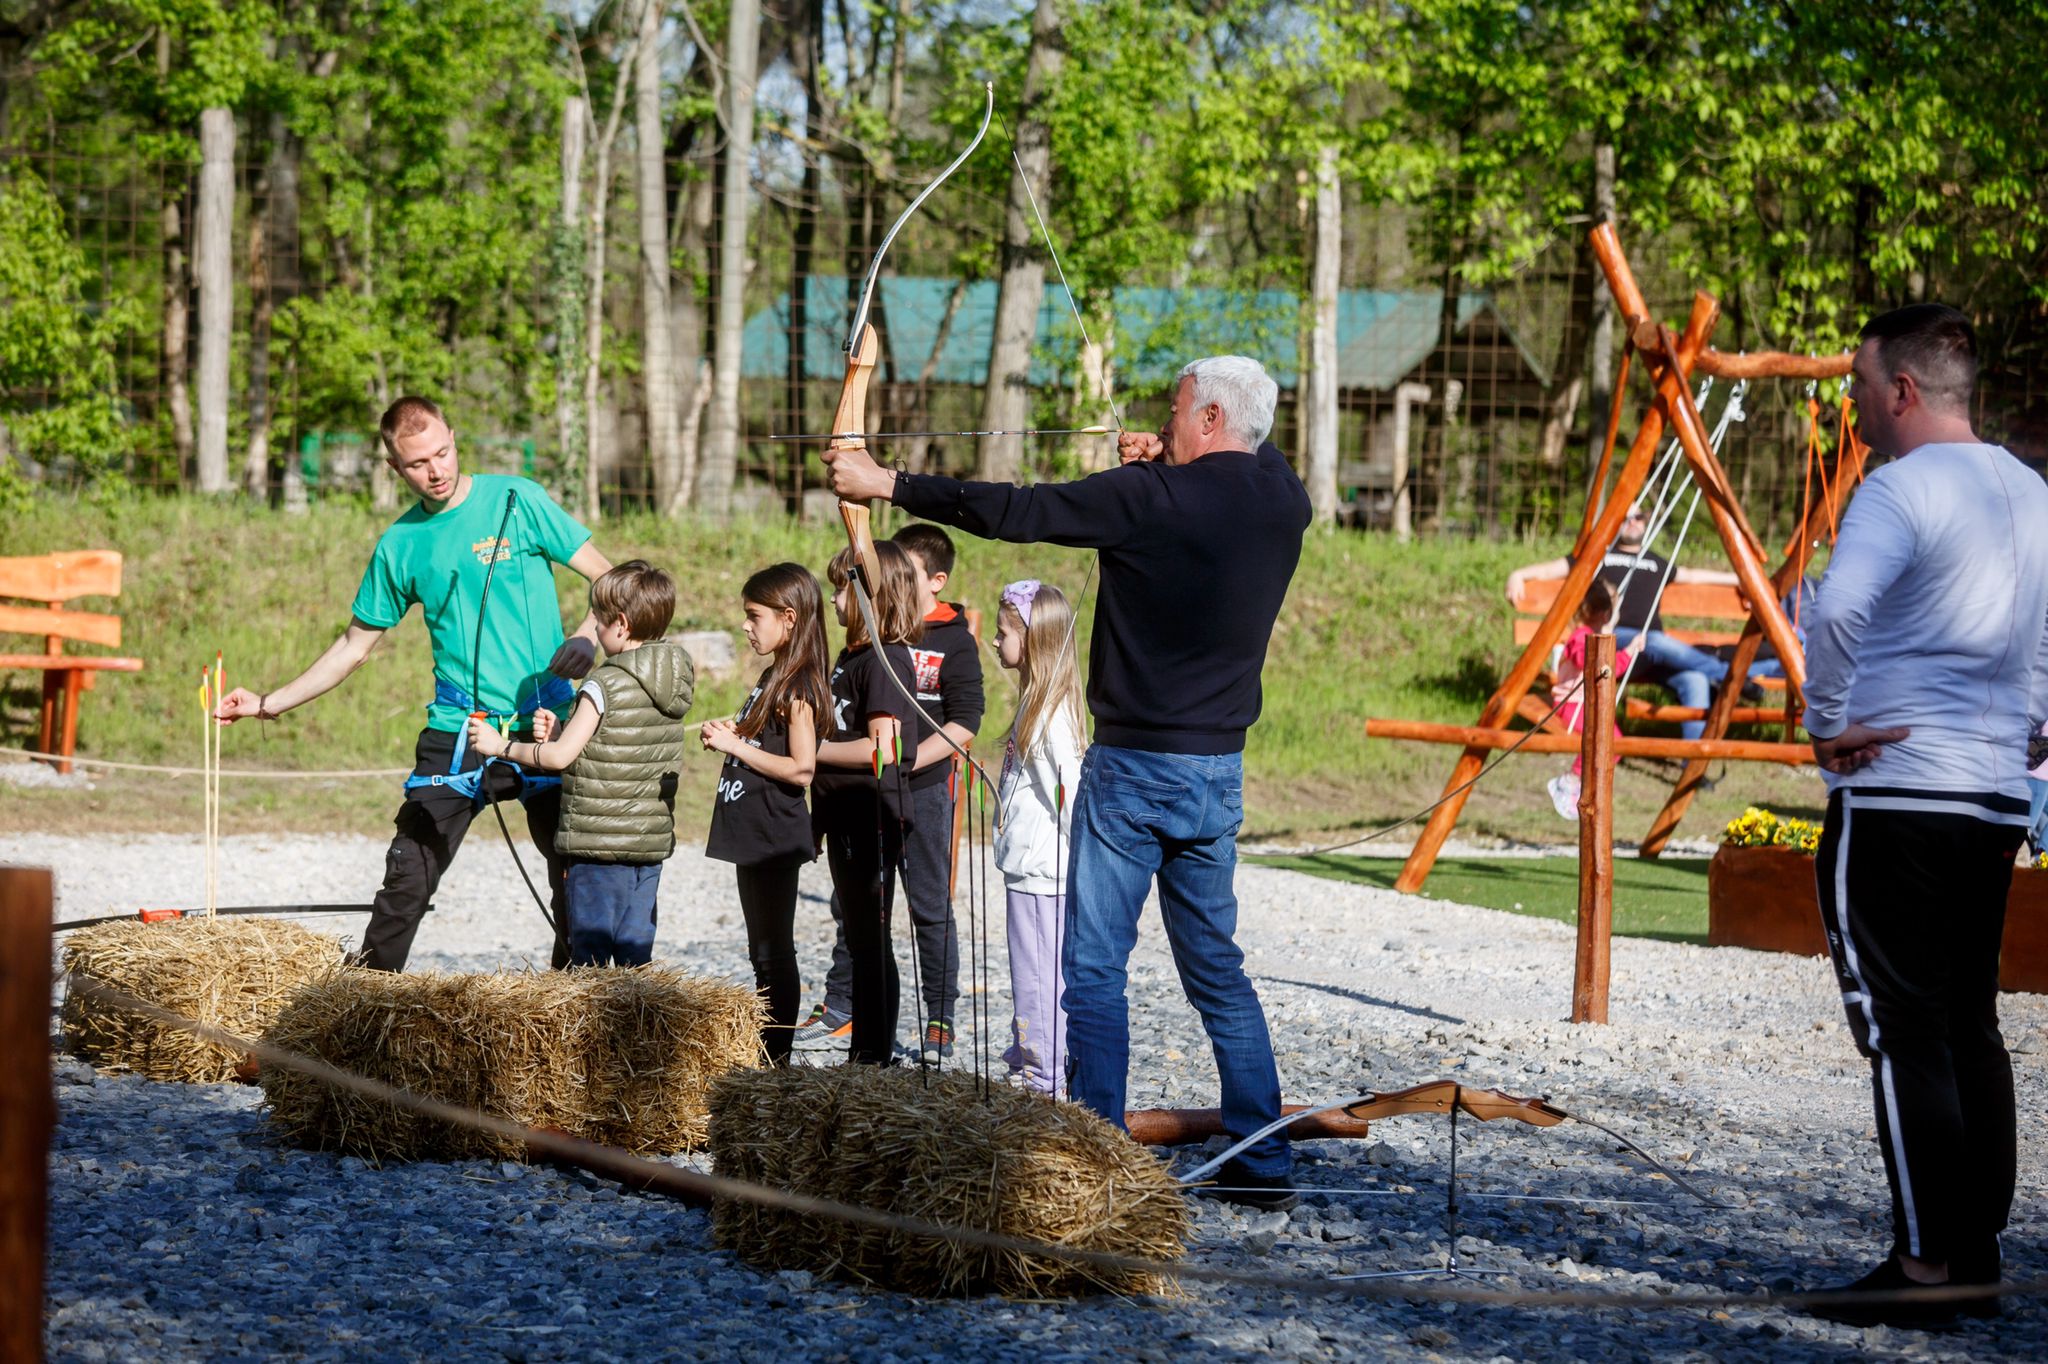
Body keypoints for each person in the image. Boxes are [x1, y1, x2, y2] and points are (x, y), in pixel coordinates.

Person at [824, 353, 1309, 1209]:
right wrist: (1165, 454)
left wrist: (884, 480)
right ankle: (1263, 1160)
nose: (1164, 420)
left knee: (1091, 969)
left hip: (1132, 771)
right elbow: (1253, 454)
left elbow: (1019, 510)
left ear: (1208, 421)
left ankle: (1091, 1159)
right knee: (1217, 971)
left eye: (1177, 409)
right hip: (1218, 771)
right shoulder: (1284, 499)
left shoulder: (1146, 499)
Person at [1802, 303, 2048, 1328]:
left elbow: (1836, 609)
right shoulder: (2030, 490)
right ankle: (1973, 1251)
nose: (1851, 403)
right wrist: (2033, 716)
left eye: (1858, 384)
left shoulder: (1895, 487)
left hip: (1899, 789)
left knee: (1905, 1029)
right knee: (1966, 1021)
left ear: (1901, 389)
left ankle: (1920, 1266)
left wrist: (1825, 725)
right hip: (1990, 792)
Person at [215, 396, 613, 970]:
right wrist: (266, 704)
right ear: (394, 468)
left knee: (577, 882)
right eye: (419, 463)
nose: (437, 470)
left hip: (548, 725)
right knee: (406, 879)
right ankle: (360, 1010)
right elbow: (353, 646)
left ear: (454, 436)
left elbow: (611, 579)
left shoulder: (516, 498)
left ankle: (577, 1008)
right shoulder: (399, 544)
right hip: (460, 731)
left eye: (443, 452)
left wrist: (585, 637)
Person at [798, 524, 984, 1061]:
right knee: (858, 907)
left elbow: (965, 718)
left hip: (921, 790)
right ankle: (842, 1005)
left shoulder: (952, 638)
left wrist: (906, 762)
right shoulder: (863, 644)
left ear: (932, 580)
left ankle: (939, 1016)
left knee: (928, 905)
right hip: (870, 791)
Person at [466, 561, 693, 967]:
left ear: (620, 625)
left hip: (597, 850)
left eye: (598, 623)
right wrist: (560, 730)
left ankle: (592, 1035)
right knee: (633, 959)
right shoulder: (673, 678)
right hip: (647, 847)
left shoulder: (602, 684)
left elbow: (558, 759)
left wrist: (500, 746)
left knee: (587, 962)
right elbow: (617, 745)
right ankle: (636, 1032)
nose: (596, 633)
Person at [701, 563, 831, 1064]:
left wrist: (737, 743)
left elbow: (801, 768)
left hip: (775, 833)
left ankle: (774, 1060)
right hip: (751, 830)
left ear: (789, 618)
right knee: (760, 949)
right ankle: (765, 1053)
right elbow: (764, 739)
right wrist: (733, 731)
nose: (746, 626)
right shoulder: (773, 674)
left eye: (755, 616)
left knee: (775, 949)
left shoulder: (799, 685)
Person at [812, 541, 934, 1066]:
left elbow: (885, 748)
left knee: (869, 941)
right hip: (842, 813)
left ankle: (872, 1056)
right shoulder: (852, 655)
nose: (834, 598)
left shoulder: (884, 661)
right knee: (861, 937)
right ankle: (867, 1054)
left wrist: (811, 752)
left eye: (843, 587)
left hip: (870, 816)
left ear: (873, 598)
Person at [1505, 505, 1740, 739]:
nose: (1632, 521)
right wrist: (1518, 575)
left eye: (1638, 516)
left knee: (1695, 679)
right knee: (1655, 641)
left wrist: (1740, 579)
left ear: (1645, 522)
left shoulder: (1655, 561)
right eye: (1625, 517)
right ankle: (1730, 675)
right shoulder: (1598, 556)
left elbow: (1691, 575)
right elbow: (1552, 569)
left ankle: (1693, 765)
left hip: (1650, 656)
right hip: (1614, 642)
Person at [991, 579, 1086, 1097]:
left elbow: (1072, 793)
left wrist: (1087, 865)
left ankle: (1043, 1077)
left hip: (1042, 877)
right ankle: (1031, 1060)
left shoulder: (1052, 717)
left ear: (1035, 640)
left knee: (1038, 980)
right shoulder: (1036, 703)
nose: (997, 641)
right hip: (1030, 872)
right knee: (1032, 974)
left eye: (1004, 632)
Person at [1544, 579, 1633, 821]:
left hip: (1584, 704)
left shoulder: (1590, 634)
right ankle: (1570, 781)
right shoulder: (1580, 637)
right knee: (1608, 739)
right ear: (1605, 613)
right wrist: (1629, 653)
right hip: (1571, 705)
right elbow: (1596, 668)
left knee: (1613, 742)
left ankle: (1586, 786)